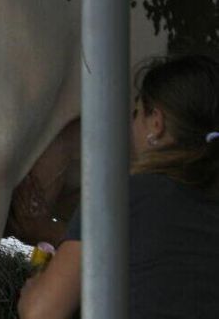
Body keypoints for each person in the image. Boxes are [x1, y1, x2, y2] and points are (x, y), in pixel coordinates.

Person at [17, 53, 219, 319]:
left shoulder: (120, 196)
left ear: (156, 124)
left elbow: (42, 312)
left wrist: (33, 292)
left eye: (136, 114)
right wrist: (49, 231)